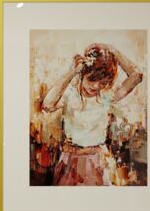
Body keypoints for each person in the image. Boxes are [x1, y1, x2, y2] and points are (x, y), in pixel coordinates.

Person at [39, 42, 143, 185]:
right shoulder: (71, 94)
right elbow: (47, 105)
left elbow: (137, 75)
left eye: (103, 82)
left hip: (97, 161)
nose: (96, 86)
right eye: (92, 79)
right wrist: (72, 72)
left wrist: (112, 51)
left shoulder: (106, 96)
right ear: (83, 73)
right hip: (70, 160)